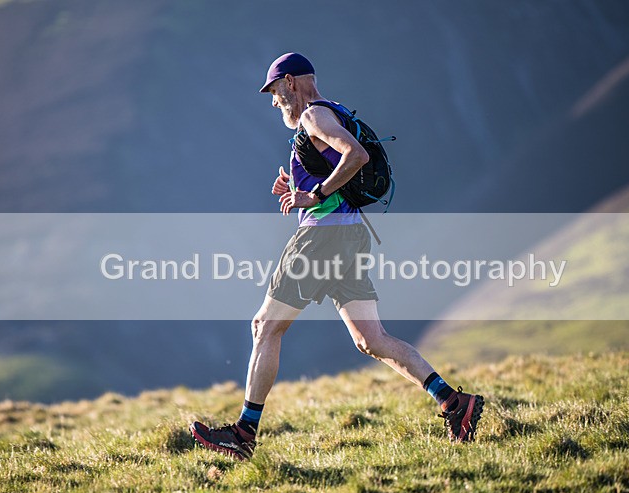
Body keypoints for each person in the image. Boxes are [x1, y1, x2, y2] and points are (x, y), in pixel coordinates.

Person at [190, 52, 483, 460]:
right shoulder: (335, 111)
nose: (274, 102)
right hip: (350, 237)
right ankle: (453, 403)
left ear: (290, 82)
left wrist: (315, 194)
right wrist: (298, 183)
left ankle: (243, 433)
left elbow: (356, 156)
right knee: (371, 340)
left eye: (274, 92)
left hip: (320, 240)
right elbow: (339, 161)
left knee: (265, 326)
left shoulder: (313, 116)